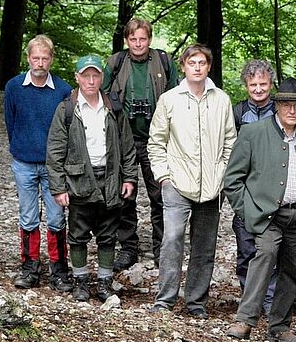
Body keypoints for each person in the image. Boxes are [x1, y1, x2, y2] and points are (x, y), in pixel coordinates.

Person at [223, 77, 296, 342]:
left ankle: (279, 326)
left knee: (291, 269)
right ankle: (245, 320)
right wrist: (248, 211)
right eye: (286, 104)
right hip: (267, 216)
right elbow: (232, 180)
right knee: (265, 255)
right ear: (277, 105)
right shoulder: (253, 133)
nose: (292, 110)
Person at [147, 44, 237, 318]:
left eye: (202, 63)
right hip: (177, 182)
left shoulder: (221, 100)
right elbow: (156, 141)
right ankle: (165, 300)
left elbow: (230, 141)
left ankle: (196, 302)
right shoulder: (170, 99)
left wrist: (223, 174)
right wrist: (163, 176)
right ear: (183, 66)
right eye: (192, 63)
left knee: (205, 246)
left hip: (212, 185)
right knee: (172, 240)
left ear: (208, 67)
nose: (197, 68)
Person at [47, 55, 138, 303]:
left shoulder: (113, 107)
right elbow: (55, 151)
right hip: (78, 180)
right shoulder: (66, 109)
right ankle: (81, 282)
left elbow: (127, 146)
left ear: (101, 78)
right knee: (78, 234)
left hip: (110, 178)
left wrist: (129, 178)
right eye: (85, 76)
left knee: (108, 233)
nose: (90, 81)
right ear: (77, 78)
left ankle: (105, 283)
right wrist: (58, 187)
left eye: (95, 75)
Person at [103, 17, 180, 270]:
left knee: (160, 195)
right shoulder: (116, 63)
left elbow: (176, 98)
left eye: (142, 39)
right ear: (127, 40)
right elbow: (101, 96)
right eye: (133, 39)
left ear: (150, 39)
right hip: (123, 139)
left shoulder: (163, 62)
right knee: (124, 196)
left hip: (156, 140)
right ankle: (128, 247)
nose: (138, 43)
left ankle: (162, 248)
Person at [3, 35, 74, 290]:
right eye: (36, 58)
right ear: (28, 58)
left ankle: (59, 268)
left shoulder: (63, 90)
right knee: (28, 215)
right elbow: (10, 121)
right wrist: (20, 144)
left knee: (56, 216)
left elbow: (68, 127)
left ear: (51, 59)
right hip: (23, 161)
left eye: (45, 58)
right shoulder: (14, 87)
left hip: (54, 164)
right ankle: (30, 266)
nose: (40, 63)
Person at [229, 59, 278, 313]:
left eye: (263, 84)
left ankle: (270, 299)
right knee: (246, 245)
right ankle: (249, 298)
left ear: (271, 84)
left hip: (274, 186)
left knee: (272, 248)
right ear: (246, 85)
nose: (258, 89)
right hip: (246, 187)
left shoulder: (281, 110)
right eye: (253, 85)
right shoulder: (237, 112)